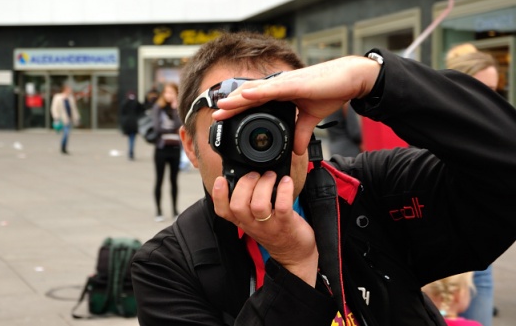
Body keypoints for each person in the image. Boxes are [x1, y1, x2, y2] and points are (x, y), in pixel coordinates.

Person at [131, 32, 516, 325]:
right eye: (230, 121)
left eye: (278, 116)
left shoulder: (370, 192)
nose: (258, 141)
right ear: (190, 146)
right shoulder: (167, 266)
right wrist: (295, 266)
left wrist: (375, 78)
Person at [446, 46, 499, 326]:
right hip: (434, 249)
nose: (489, 97)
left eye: (494, 89)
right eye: (481, 87)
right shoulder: (427, 122)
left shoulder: (494, 128)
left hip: (479, 249)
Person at [151, 82, 181, 222]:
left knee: (174, 180)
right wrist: (171, 130)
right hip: (161, 149)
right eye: (166, 92)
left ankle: (175, 210)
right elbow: (157, 127)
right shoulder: (158, 107)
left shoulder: (178, 108)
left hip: (175, 148)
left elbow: (180, 125)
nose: (169, 95)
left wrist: (175, 109)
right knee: (159, 180)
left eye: (172, 92)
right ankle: (158, 210)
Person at [50, 84, 80, 154]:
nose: (70, 91)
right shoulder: (58, 97)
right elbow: (54, 108)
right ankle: (63, 148)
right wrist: (56, 117)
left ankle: (64, 147)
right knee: (66, 133)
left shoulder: (70, 98)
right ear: (65, 90)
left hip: (68, 119)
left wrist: (77, 118)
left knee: (66, 133)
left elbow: (73, 109)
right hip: (61, 119)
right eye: (69, 89)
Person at [120, 91, 144, 160]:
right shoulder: (136, 103)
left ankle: (130, 152)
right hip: (134, 123)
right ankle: (131, 152)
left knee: (130, 139)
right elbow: (142, 109)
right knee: (132, 139)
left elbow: (122, 113)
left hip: (127, 123)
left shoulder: (125, 103)